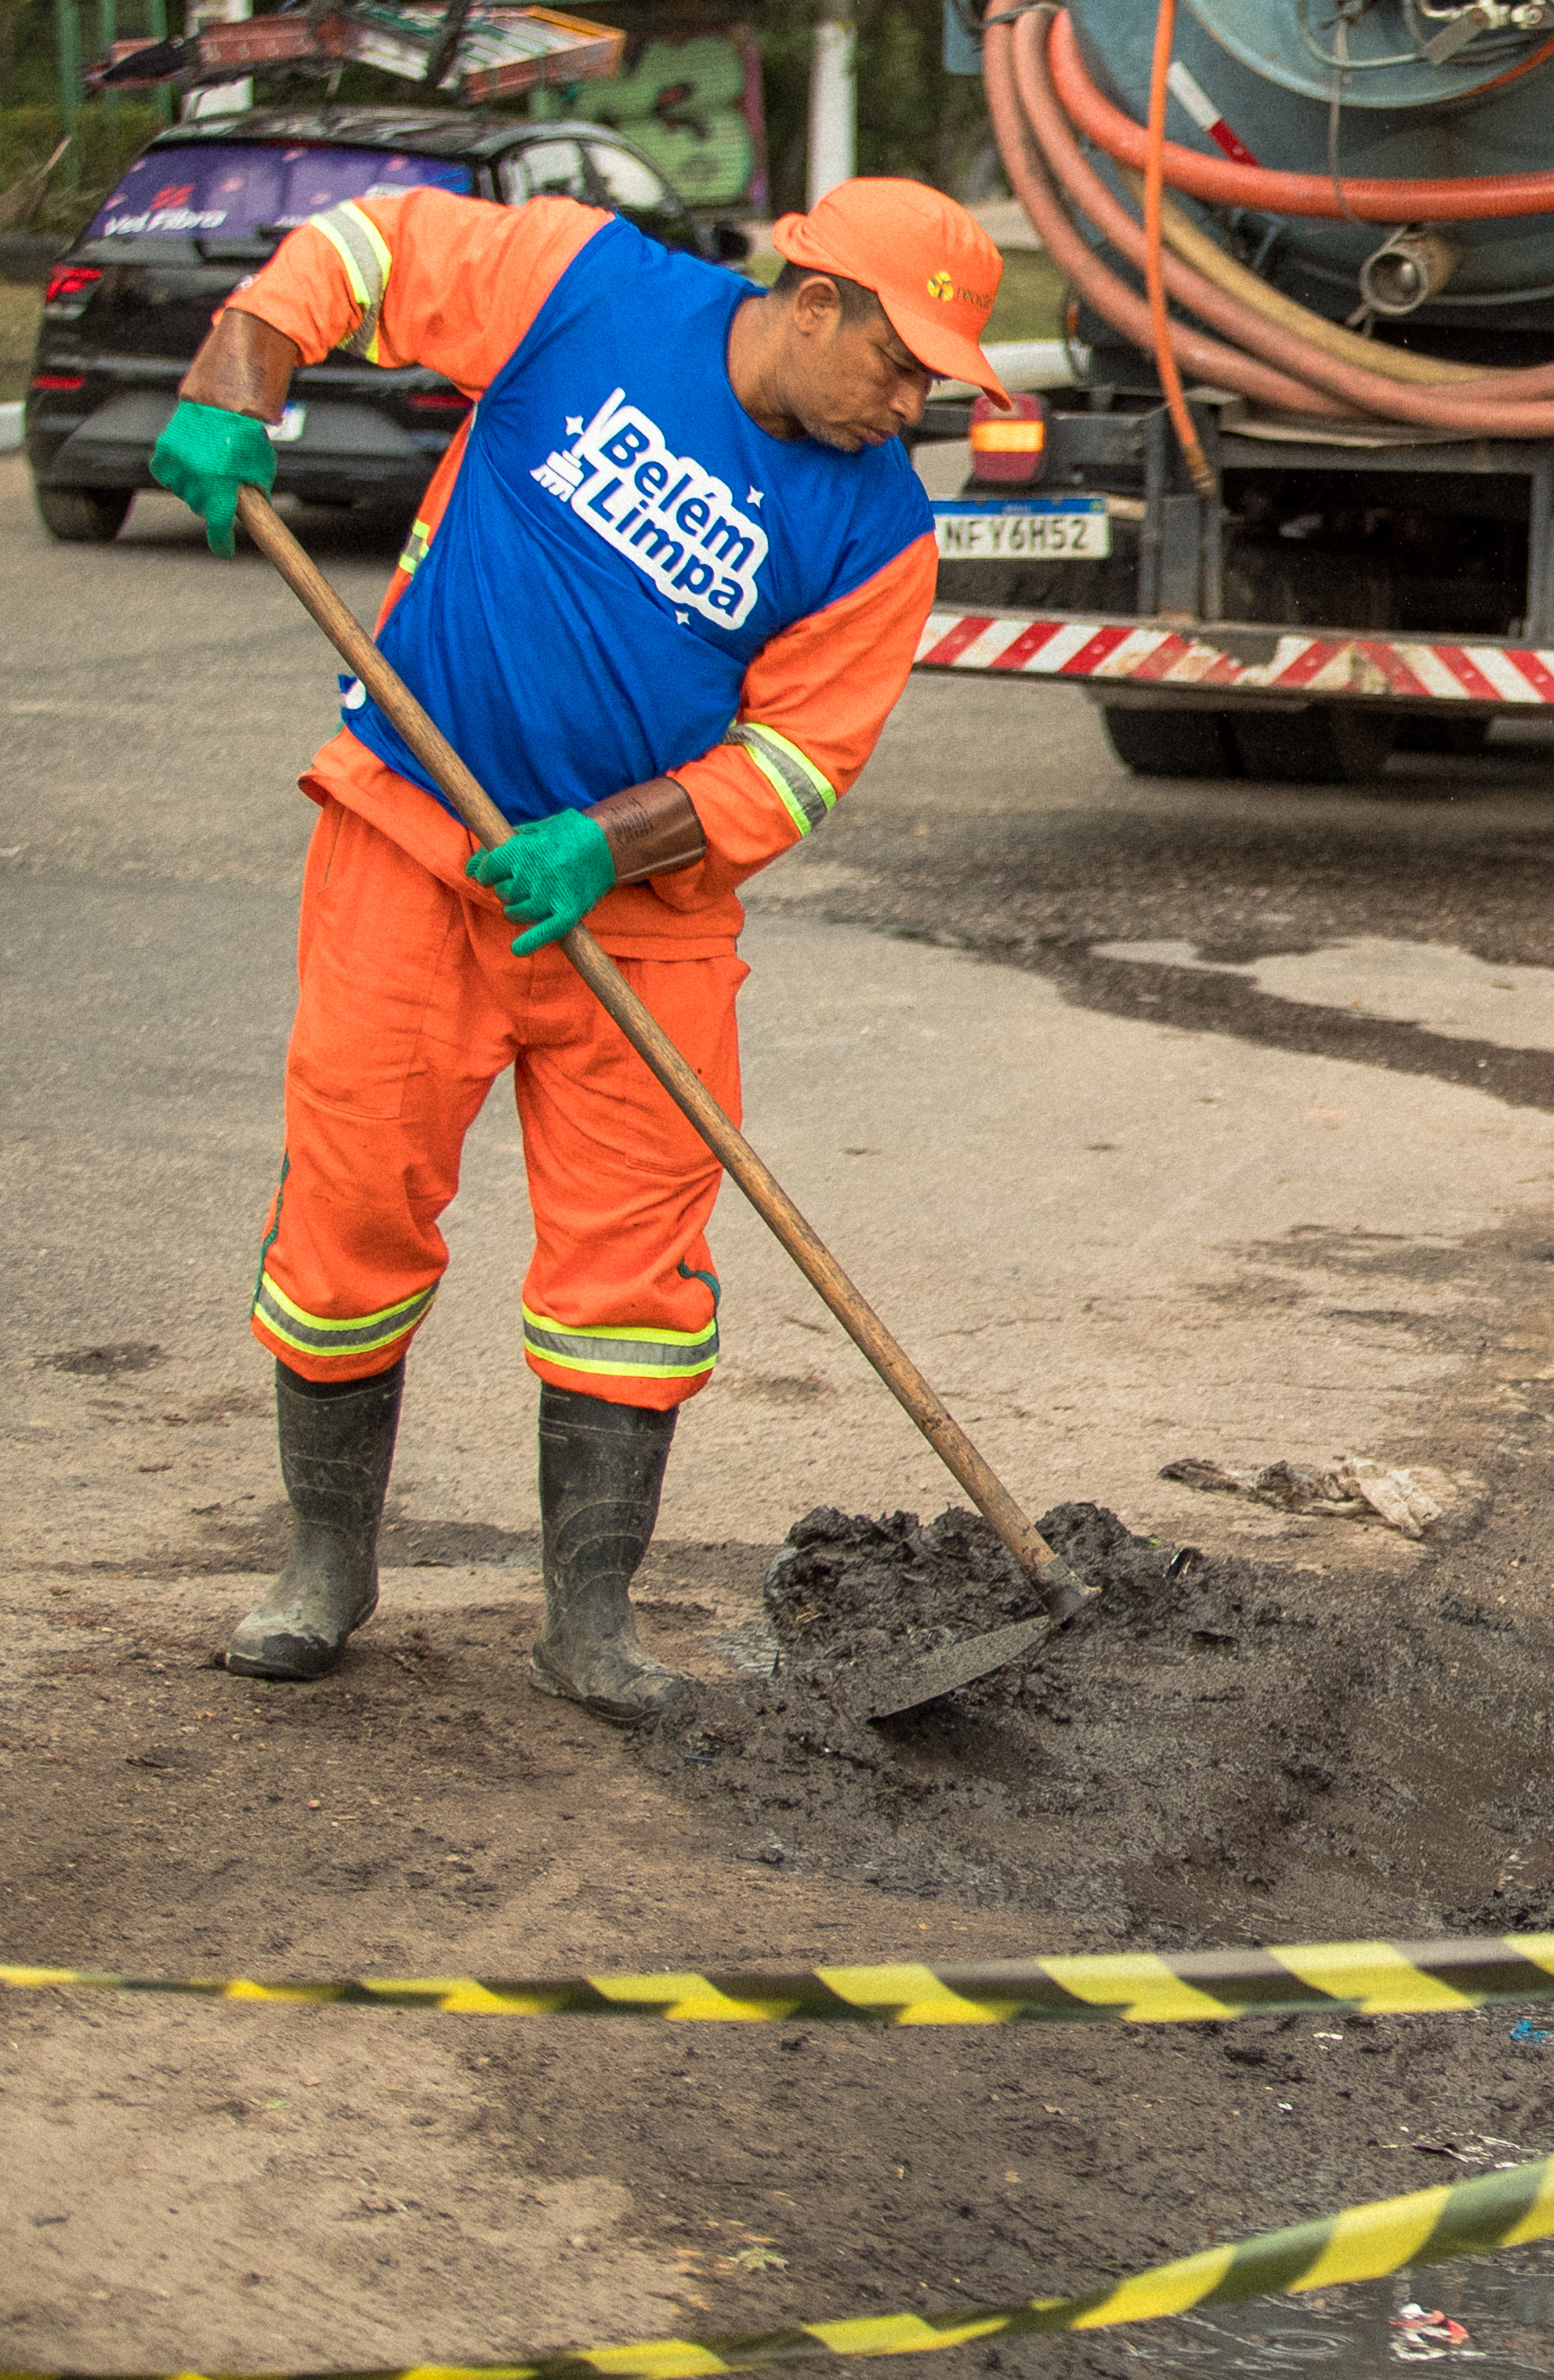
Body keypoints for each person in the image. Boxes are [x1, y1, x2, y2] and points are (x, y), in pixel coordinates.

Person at [158, 172, 1003, 1723]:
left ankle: (589, 1625)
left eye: (934, 382)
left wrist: (604, 846)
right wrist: (241, 374)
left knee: (635, 1265)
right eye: (899, 362)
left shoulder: (882, 535)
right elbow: (368, 246)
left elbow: (796, 765)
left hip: (643, 921)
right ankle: (325, 1570)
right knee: (352, 1202)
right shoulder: (586, 286)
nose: (909, 402)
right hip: (411, 843)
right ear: (812, 299)